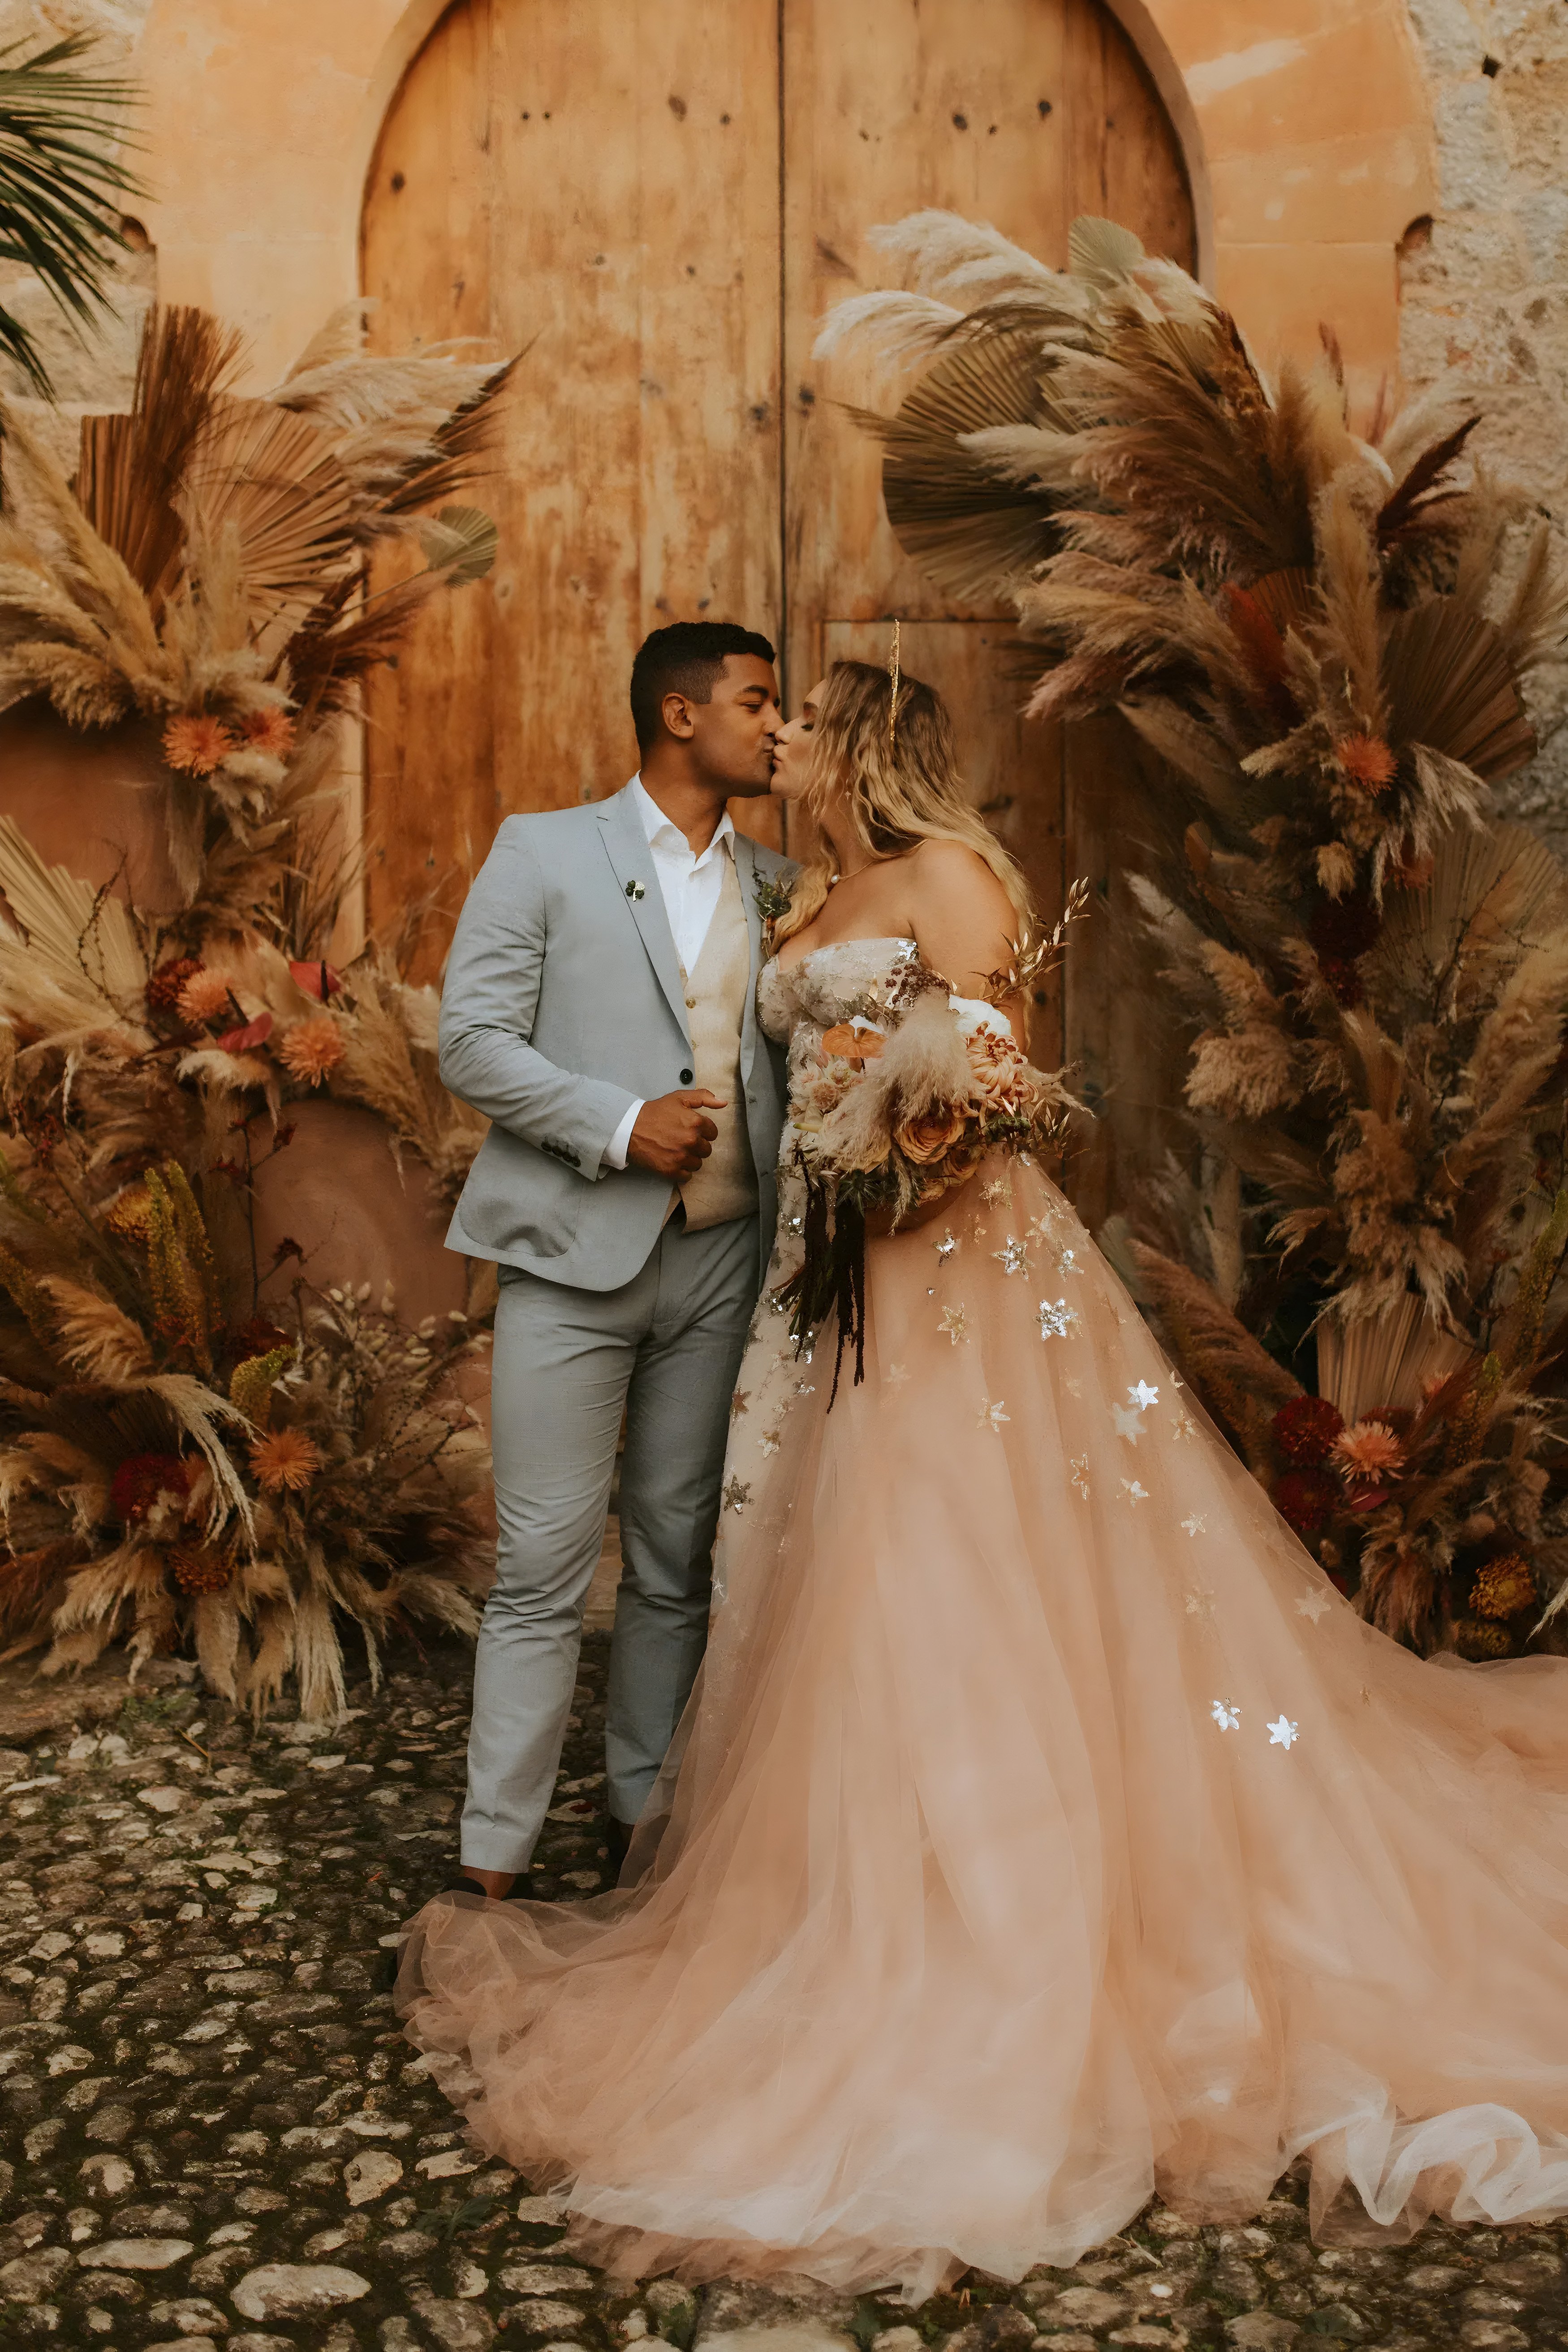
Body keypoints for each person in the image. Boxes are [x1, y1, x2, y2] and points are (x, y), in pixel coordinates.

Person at [402, 659, 1568, 2294]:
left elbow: (991, 1079)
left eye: (804, 714)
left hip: (952, 1280)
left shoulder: (945, 875)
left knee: (955, 1562)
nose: (783, 732)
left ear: (866, 741)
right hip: (829, 1289)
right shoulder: (802, 886)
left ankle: (997, 1904)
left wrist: (910, 1154)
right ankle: (811, 1871)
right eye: (763, 706)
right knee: (825, 1576)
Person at [436, 620, 794, 1899]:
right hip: (568, 1260)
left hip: (722, 1266)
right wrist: (613, 1121)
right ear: (680, 715)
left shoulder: (783, 881)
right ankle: (493, 1847)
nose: (778, 725)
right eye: (758, 701)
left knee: (674, 1549)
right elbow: (469, 1040)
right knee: (539, 1561)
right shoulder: (543, 851)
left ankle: (641, 1811)